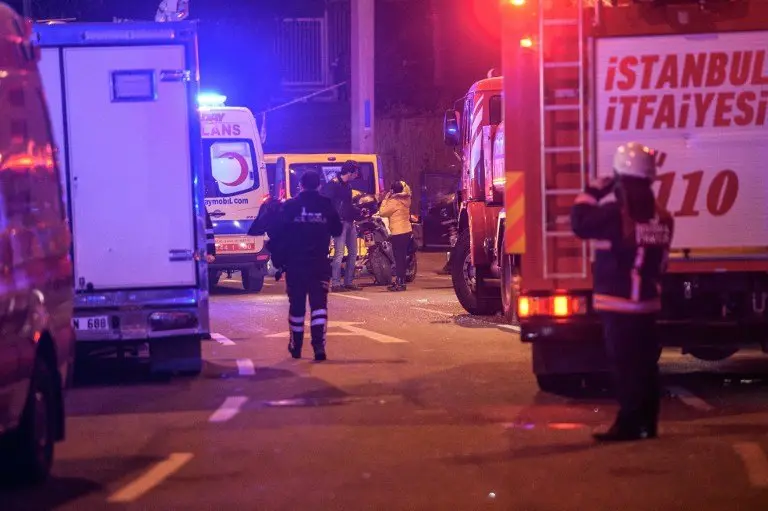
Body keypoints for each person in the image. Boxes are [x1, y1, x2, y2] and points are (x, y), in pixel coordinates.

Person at [571, 142, 674, 442]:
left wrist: (593, 189)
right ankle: (647, 423)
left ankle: (629, 425)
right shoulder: (663, 217)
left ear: (620, 177)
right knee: (646, 365)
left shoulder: (615, 215)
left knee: (625, 366)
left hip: (618, 305)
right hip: (648, 302)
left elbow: (578, 222)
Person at [273, 170, 342, 361]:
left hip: (295, 264)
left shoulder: (289, 206)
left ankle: (296, 346)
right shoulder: (326, 204)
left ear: (301, 185)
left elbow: (279, 234)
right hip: (319, 264)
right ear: (319, 185)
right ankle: (319, 346)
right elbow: (337, 230)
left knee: (296, 307)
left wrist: (279, 261)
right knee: (319, 306)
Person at [321, 160, 361, 292]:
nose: (357, 174)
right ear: (349, 172)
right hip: (340, 223)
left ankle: (348, 281)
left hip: (350, 222)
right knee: (339, 253)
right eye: (355, 172)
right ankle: (336, 283)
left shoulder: (348, 186)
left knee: (353, 252)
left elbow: (348, 205)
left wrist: (356, 213)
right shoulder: (333, 185)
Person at [379, 180, 413, 291]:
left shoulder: (393, 201)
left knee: (399, 259)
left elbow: (382, 212)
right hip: (407, 231)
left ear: (392, 190)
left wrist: (385, 199)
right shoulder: (407, 199)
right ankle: (401, 281)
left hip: (398, 233)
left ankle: (400, 283)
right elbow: (407, 190)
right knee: (402, 258)